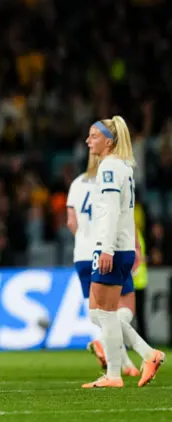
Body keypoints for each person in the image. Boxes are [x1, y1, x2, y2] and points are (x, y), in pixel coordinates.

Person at [82, 116, 165, 389]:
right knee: (101, 312)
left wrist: (105, 248)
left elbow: (110, 213)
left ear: (109, 141)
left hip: (111, 248)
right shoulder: (124, 167)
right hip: (122, 247)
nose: (88, 140)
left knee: (103, 313)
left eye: (94, 136)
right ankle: (145, 355)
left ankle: (118, 372)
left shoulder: (108, 168)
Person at [66, 153, 139, 377]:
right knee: (124, 308)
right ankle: (113, 349)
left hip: (82, 254)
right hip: (108, 249)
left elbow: (71, 222)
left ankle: (125, 365)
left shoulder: (77, 183)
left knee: (98, 313)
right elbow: (118, 214)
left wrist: (84, 239)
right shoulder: (112, 178)